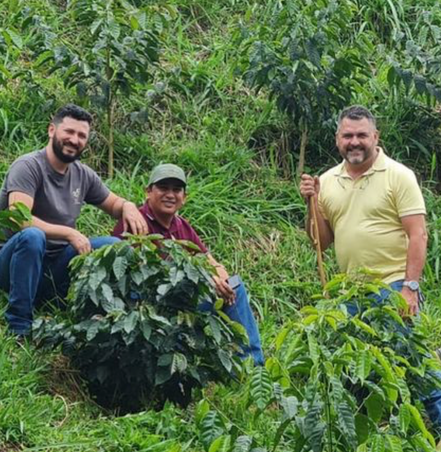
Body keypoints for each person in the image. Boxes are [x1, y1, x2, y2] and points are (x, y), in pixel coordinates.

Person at [298, 105, 441, 450]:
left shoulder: (398, 176)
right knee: (357, 361)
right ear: (337, 139)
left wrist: (410, 287)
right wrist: (310, 204)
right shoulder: (327, 181)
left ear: (376, 137)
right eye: (348, 136)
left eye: (362, 135)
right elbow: (321, 241)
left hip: (392, 283)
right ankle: (371, 430)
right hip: (347, 289)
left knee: (413, 355)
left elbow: (418, 235)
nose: (354, 142)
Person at [0, 104, 147, 337]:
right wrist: (69, 233)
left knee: (111, 244)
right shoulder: (28, 166)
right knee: (32, 236)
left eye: (81, 135)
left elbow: (114, 204)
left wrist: (128, 206)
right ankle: (19, 325)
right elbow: (20, 219)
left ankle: (114, 316)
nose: (74, 140)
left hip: (55, 266)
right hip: (15, 264)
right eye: (68, 132)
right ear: (51, 130)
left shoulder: (82, 174)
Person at [112, 164, 264, 366]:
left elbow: (212, 262)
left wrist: (220, 280)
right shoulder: (135, 221)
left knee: (235, 285)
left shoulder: (181, 225)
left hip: (184, 296)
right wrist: (204, 279)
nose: (170, 194)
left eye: (176, 190)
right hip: (149, 303)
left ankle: (252, 364)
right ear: (148, 192)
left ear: (184, 197)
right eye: (163, 188)